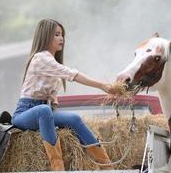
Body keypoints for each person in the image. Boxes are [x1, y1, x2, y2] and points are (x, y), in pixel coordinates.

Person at [12, 19, 114, 171]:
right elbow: (72, 74)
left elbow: (52, 97)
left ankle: (106, 165)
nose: (61, 38)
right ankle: (57, 167)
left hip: (44, 112)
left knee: (74, 118)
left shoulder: (51, 61)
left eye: (62, 35)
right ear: (45, 36)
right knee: (44, 111)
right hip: (25, 113)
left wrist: (53, 105)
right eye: (56, 35)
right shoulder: (41, 58)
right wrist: (102, 85)